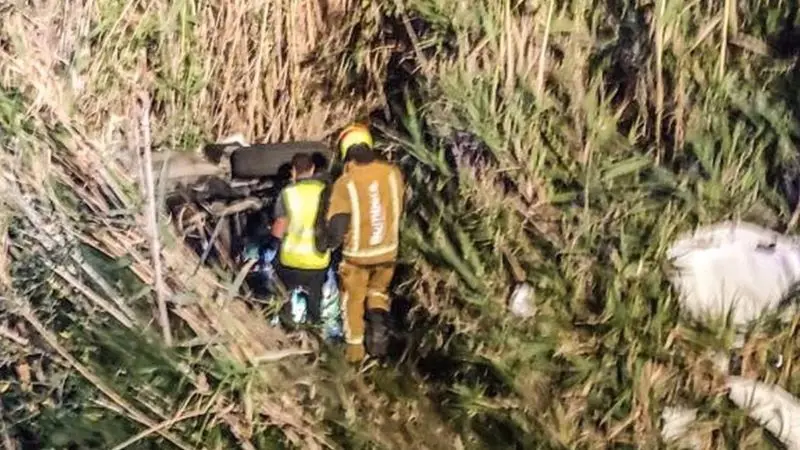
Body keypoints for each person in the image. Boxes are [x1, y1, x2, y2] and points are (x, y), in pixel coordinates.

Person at [320, 123, 405, 363]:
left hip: (357, 256)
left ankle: (355, 354)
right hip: (388, 251)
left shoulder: (345, 183)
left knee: (353, 301)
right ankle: (379, 339)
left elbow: (337, 225)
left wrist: (327, 244)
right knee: (378, 291)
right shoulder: (392, 173)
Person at [267, 152, 331, 327]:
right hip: (317, 261)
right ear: (312, 169)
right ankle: (314, 330)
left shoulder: (287, 193)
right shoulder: (324, 191)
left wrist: (270, 246)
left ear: (293, 171)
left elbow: (280, 223)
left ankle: (286, 327)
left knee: (283, 296)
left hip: (290, 261)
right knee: (315, 300)